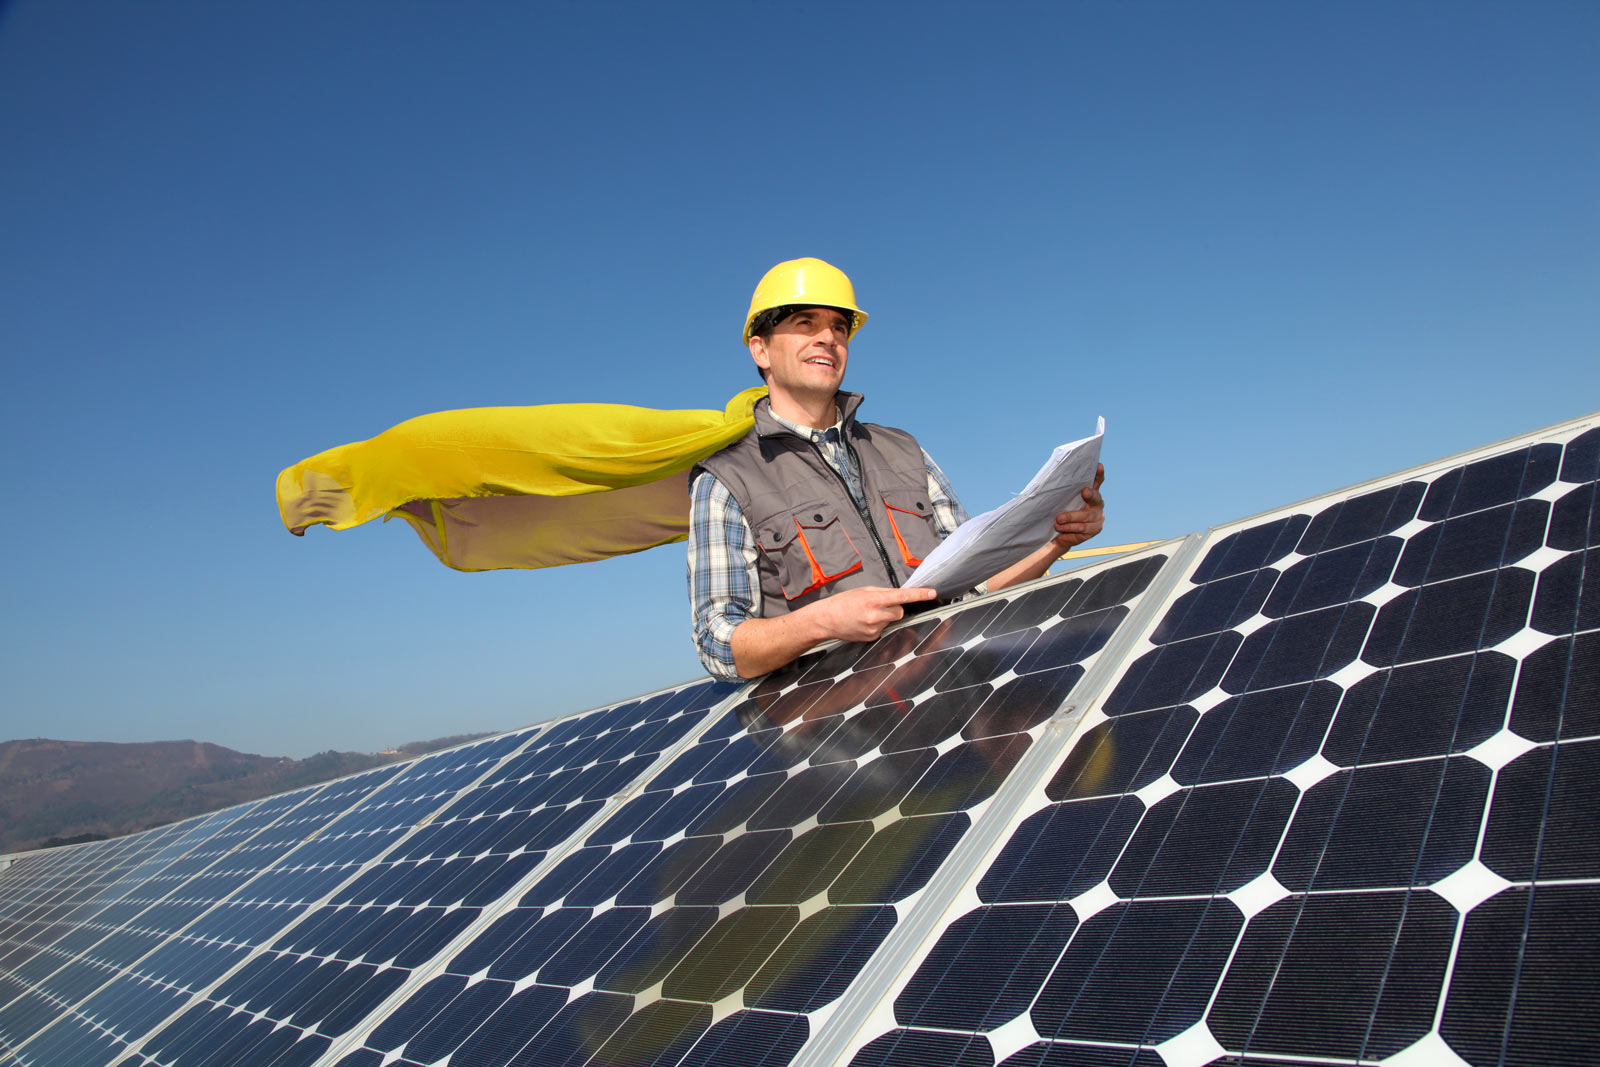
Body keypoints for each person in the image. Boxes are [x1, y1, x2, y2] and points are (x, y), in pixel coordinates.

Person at [688, 257, 1105, 681]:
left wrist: (1057, 537)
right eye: (805, 323)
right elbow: (717, 642)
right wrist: (821, 622)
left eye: (839, 327)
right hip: (836, 729)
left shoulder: (903, 450)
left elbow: (972, 586)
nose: (827, 339)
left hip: (953, 689)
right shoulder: (726, 480)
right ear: (761, 349)